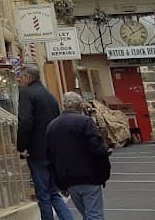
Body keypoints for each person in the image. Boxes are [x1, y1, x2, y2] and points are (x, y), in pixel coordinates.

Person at [16, 64, 73, 220]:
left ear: (28, 77)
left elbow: (26, 121)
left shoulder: (26, 93)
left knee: (43, 195)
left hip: (37, 151)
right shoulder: (49, 95)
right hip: (52, 150)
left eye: (20, 77)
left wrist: (22, 146)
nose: (18, 80)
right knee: (54, 193)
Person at [46, 91, 111, 220]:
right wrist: (104, 174)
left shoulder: (52, 126)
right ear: (81, 105)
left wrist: (60, 183)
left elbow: (50, 157)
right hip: (90, 175)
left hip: (69, 179)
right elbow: (98, 149)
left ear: (63, 105)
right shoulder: (85, 122)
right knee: (94, 215)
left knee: (87, 214)